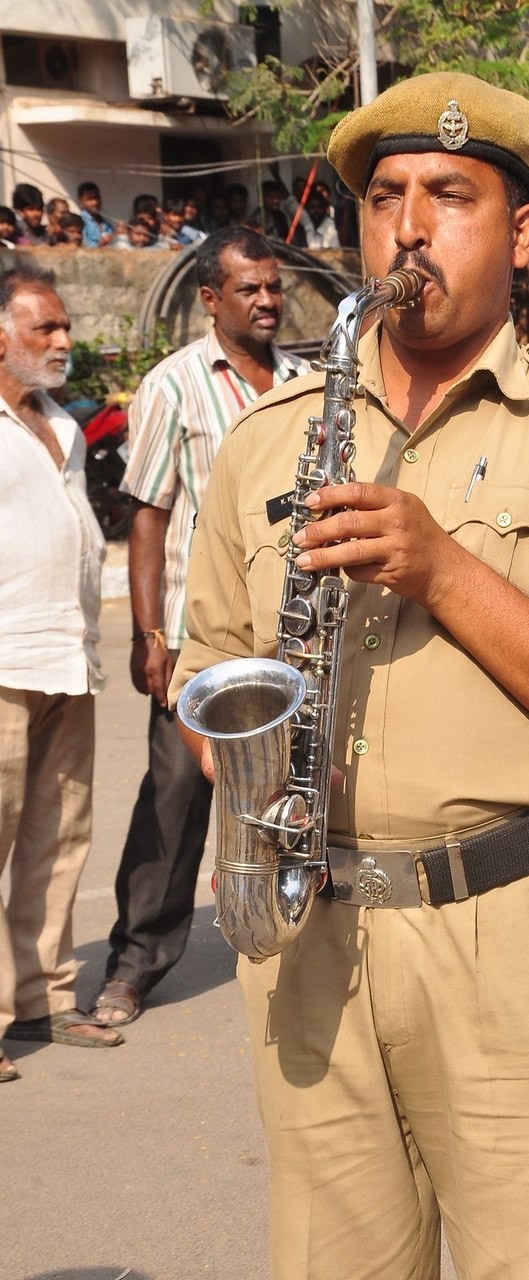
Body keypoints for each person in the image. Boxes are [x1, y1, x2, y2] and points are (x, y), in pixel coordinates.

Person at [171, 72, 529, 1280]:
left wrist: (446, 574)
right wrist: (257, 768)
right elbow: (208, 682)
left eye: (449, 195)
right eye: (384, 198)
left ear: (519, 229)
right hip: (308, 940)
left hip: (510, 940)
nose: (409, 225)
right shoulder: (268, 435)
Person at [90, 227, 310, 1028]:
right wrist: (151, 637)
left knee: (294, 787)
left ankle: (287, 927)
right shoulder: (174, 386)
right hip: (198, 638)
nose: (266, 300)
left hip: (288, 636)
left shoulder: (305, 382)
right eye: (247, 289)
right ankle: (135, 962)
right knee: (179, 796)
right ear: (211, 300)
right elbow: (146, 515)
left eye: (273, 286)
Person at [0, 265, 124, 1083]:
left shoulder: (65, 428)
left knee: (59, 837)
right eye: (44, 328)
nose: (62, 342)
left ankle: (43, 998)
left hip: (68, 656)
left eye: (64, 326)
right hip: (2, 660)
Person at [77, 182, 113, 247]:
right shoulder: (80, 222)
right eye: (89, 199)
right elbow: (84, 246)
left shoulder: (104, 222)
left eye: (97, 198)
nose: (95, 202)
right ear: (81, 202)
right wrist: (100, 244)